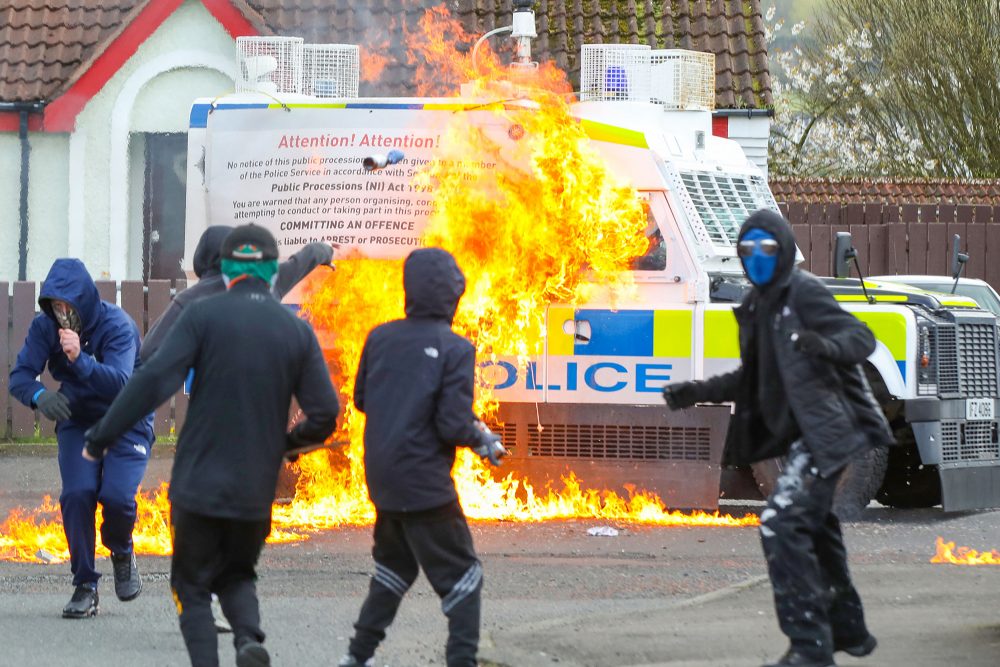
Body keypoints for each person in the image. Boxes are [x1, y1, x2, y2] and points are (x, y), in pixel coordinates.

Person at [83, 224, 341, 667]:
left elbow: (151, 377)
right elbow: (324, 417)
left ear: (221, 266)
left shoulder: (199, 312)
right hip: (255, 484)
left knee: (191, 585)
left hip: (199, 476)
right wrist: (286, 446)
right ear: (269, 268)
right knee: (238, 574)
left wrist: (103, 436)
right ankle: (247, 640)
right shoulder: (292, 328)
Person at [662, 209, 893, 667]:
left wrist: (824, 346)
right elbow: (755, 377)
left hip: (828, 432)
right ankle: (849, 629)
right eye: (747, 251)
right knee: (818, 531)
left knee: (780, 526)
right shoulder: (755, 307)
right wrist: (698, 391)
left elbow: (860, 338)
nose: (757, 259)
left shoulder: (803, 292)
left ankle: (810, 647)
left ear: (783, 250)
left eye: (767, 249)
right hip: (799, 433)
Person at [338, 248, 507, 667]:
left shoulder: (379, 337)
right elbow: (452, 424)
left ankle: (356, 659)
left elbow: (360, 400)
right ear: (454, 296)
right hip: (425, 486)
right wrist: (483, 437)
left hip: (382, 481)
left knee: (394, 570)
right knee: (464, 578)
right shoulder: (456, 349)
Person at [9, 258, 153, 618]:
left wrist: (79, 358)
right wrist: (40, 397)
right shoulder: (46, 328)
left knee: (117, 498)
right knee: (77, 494)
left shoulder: (117, 325)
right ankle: (85, 585)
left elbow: (121, 384)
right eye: (55, 307)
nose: (61, 314)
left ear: (85, 301)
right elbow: (20, 376)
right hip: (79, 421)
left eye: (67, 306)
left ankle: (121, 549)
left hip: (126, 419)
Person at [140, 225, 335, 361]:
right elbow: (304, 259)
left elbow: (150, 351)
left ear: (201, 259)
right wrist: (326, 251)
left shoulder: (190, 300)